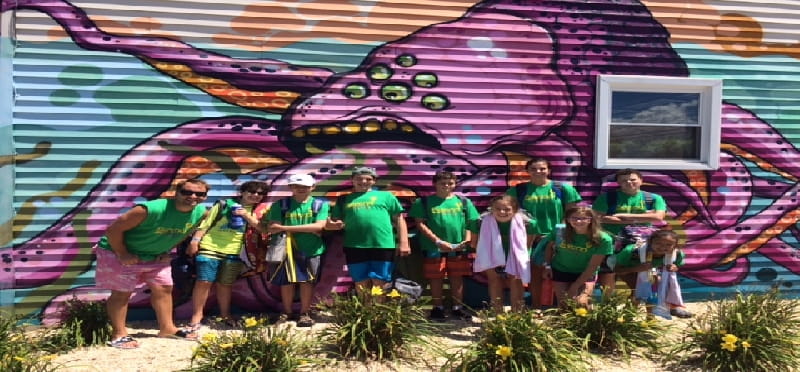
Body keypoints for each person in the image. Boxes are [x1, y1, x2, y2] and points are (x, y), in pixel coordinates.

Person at [95, 179, 209, 349]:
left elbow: (185, 231)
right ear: (176, 193)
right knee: (122, 293)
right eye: (187, 192)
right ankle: (119, 334)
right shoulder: (149, 209)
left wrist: (167, 249)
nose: (193, 197)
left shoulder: (201, 212)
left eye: (200, 194)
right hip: (120, 252)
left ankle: (167, 329)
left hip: (154, 257)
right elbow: (113, 230)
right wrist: (123, 253)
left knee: (164, 289)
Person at [186, 181, 269, 329]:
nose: (255, 195)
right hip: (210, 247)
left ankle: (225, 315)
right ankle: (197, 316)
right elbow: (206, 223)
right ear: (242, 192)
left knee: (225, 284)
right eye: (251, 191)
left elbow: (263, 229)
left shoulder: (261, 210)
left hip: (236, 252)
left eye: (260, 193)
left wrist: (247, 216)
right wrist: (195, 241)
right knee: (204, 281)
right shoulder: (224, 204)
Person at [506, 158, 581, 309]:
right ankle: (536, 307)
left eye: (542, 168)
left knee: (560, 272)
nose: (538, 171)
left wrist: (560, 235)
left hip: (558, 237)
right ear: (527, 171)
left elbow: (573, 214)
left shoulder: (563, 189)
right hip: (529, 238)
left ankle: (563, 307)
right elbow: (507, 211)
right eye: (533, 169)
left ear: (549, 170)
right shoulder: (518, 190)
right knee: (535, 273)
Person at [326, 167, 410, 291]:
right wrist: (333, 225)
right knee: (360, 282)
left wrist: (404, 243)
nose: (363, 181)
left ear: (374, 181)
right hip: (354, 246)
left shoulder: (386, 196)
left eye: (368, 179)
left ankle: (378, 310)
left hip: (382, 245)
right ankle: (365, 310)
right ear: (352, 180)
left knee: (380, 281)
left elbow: (399, 220)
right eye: (359, 179)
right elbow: (332, 222)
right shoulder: (344, 199)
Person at [409, 171, 480, 320]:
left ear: (455, 184)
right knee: (436, 277)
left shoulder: (463, 201)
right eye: (442, 183)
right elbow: (420, 224)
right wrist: (438, 241)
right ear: (434, 184)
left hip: (459, 247)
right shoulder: (424, 202)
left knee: (457, 277)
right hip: (434, 247)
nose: (446, 186)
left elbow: (470, 222)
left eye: (450, 183)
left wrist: (466, 241)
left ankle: (457, 308)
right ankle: (437, 308)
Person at [265, 174, 329, 327]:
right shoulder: (280, 205)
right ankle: (287, 312)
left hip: (311, 249)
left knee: (307, 282)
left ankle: (304, 313)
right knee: (286, 281)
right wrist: (308, 229)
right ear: (291, 187)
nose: (301, 189)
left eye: (305, 187)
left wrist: (286, 228)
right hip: (285, 249)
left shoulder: (320, 205)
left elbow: (319, 226)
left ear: (312, 187)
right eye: (297, 186)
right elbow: (273, 227)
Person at [591, 168, 667, 293]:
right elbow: (597, 217)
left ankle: (641, 304)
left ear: (641, 181)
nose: (629, 182)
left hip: (640, 244)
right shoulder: (608, 198)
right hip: (612, 241)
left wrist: (621, 215)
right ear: (618, 183)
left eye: (633, 179)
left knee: (642, 273)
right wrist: (640, 218)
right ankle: (608, 305)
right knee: (608, 273)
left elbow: (658, 217)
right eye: (624, 180)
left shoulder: (652, 198)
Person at [471, 195, 535, 313]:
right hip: (489, 253)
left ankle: (517, 314)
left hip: (516, 255)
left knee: (516, 280)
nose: (502, 212)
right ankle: (497, 313)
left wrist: (514, 258)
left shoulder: (528, 223)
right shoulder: (479, 222)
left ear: (515, 210)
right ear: (491, 209)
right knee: (494, 280)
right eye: (498, 209)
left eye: (507, 209)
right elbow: (474, 243)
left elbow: (527, 245)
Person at [542, 206, 613, 308]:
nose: (578, 221)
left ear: (591, 220)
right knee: (564, 304)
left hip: (586, 272)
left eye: (583, 218)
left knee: (581, 303)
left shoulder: (603, 239)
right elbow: (549, 248)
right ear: (568, 219)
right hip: (561, 269)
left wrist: (575, 286)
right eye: (574, 218)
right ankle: (563, 324)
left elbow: (592, 267)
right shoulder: (559, 232)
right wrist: (547, 266)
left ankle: (587, 321)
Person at [611, 229, 692, 318]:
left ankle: (650, 317)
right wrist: (637, 268)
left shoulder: (676, 254)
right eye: (658, 243)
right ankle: (628, 317)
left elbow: (677, 265)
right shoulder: (631, 251)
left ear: (675, 246)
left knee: (653, 289)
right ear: (650, 242)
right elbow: (617, 269)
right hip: (626, 267)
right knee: (637, 290)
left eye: (668, 245)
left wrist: (674, 267)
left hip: (648, 269)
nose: (662, 247)